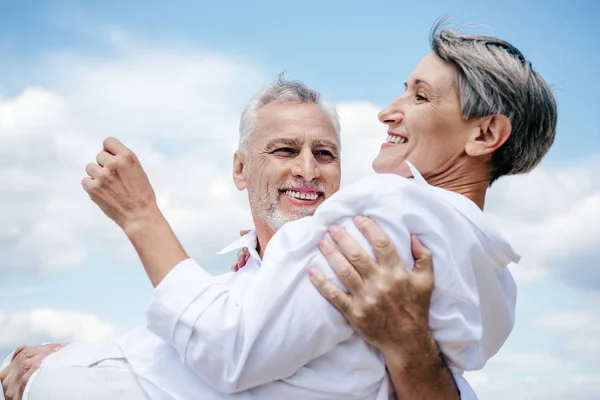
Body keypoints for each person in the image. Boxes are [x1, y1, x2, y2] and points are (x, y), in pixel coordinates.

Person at [1, 19, 557, 400]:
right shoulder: (492, 279)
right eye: (285, 151)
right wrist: (80, 357)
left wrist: (140, 214)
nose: (390, 111)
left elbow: (228, 349)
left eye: (419, 95)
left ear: (485, 133)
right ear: (241, 169)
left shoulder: (390, 212)